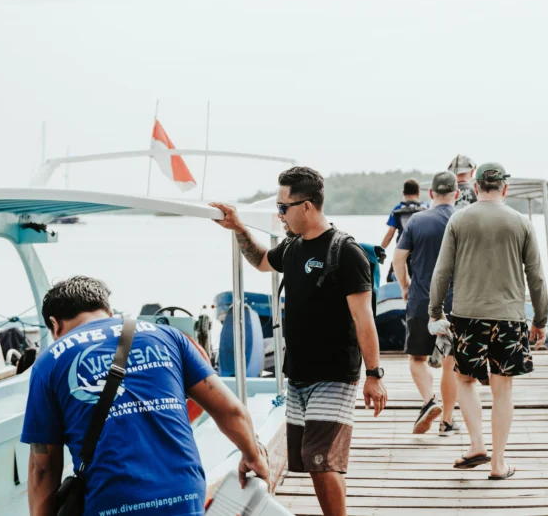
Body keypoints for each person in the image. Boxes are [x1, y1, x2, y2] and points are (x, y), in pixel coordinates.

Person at [210, 166, 387, 516]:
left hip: (334, 374)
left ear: (306, 206)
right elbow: (262, 261)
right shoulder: (292, 247)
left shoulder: (345, 252)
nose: (280, 214)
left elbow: (363, 318)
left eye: (283, 207)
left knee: (319, 459)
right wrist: (239, 228)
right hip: (298, 374)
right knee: (316, 461)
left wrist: (374, 374)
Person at [22, 276, 267, 516]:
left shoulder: (48, 363)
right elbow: (230, 410)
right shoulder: (169, 337)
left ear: (55, 325)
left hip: (112, 504)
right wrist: (253, 457)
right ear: (108, 311)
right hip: (184, 498)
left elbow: (44, 467)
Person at [429, 163, 548, 479]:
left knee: (465, 380)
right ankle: (498, 463)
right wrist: (540, 319)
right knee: (502, 388)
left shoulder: (459, 219)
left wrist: (435, 311)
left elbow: (442, 272)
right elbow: (536, 276)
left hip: (467, 316)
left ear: (475, 187)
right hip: (509, 317)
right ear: (505, 188)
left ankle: (477, 445)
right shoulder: (521, 222)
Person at [391, 171, 460, 436]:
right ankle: (447, 422)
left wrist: (405, 285)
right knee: (450, 362)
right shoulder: (462, 219)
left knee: (417, 358)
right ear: (456, 194)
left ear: (431, 193)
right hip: (454, 305)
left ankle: (429, 400)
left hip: (421, 301)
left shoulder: (417, 220)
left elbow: (398, 259)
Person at [379, 179, 428, 282]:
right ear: (418, 192)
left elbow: (390, 235)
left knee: (391, 279)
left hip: (402, 252)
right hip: (422, 254)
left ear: (403, 192)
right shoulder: (426, 208)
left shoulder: (398, 209)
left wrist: (380, 251)